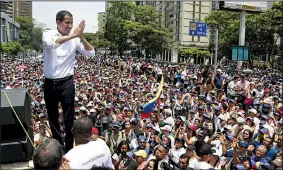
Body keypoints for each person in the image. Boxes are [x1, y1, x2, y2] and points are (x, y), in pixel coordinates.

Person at [42, 10, 95, 152]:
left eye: (72, 23)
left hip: (67, 82)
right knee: (52, 116)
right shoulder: (48, 34)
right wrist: (74, 35)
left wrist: (81, 37)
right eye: (67, 22)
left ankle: (70, 147)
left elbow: (91, 52)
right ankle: (58, 146)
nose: (70, 25)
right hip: (50, 82)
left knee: (69, 117)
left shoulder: (75, 38)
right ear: (58, 22)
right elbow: (52, 44)